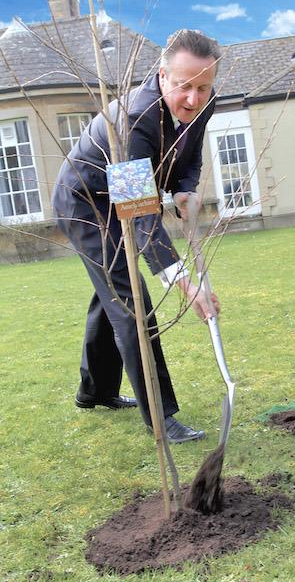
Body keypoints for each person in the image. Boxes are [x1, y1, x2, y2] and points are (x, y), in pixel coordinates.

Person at [52, 29, 221, 443]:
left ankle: (95, 391)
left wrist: (185, 186)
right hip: (86, 204)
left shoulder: (203, 102)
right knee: (131, 303)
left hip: (121, 199)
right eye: (183, 86)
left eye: (203, 87)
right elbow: (142, 216)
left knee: (108, 297)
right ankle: (162, 419)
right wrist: (185, 284)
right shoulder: (134, 120)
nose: (193, 99)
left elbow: (190, 153)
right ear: (163, 75)